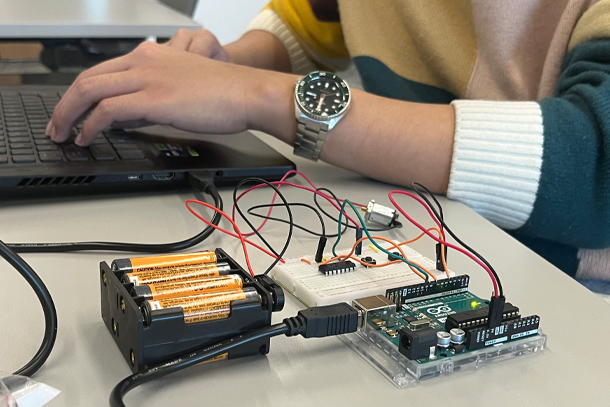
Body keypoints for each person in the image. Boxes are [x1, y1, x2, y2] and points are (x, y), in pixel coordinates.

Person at [47, 0, 610, 285]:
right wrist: (228, 65)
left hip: (557, 274)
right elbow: (313, 19)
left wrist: (261, 96)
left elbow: (593, 168)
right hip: (417, 223)